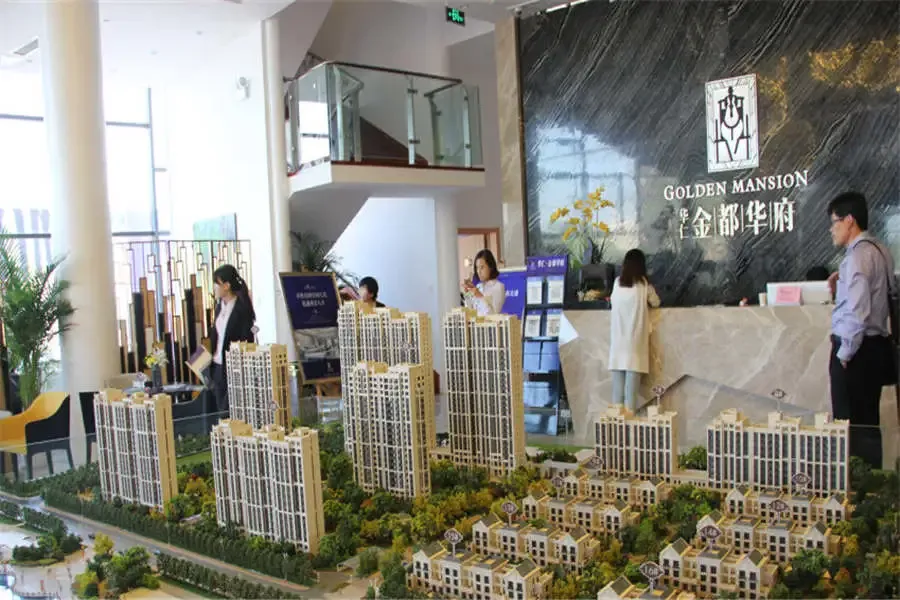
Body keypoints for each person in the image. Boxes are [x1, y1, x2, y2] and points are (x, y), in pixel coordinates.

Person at [826, 191, 895, 469]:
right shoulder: (880, 250)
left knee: (850, 426)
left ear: (849, 220)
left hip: (857, 352)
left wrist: (844, 354)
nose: (832, 229)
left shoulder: (857, 256)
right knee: (867, 424)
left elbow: (858, 312)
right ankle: (870, 480)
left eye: (834, 222)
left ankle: (855, 484)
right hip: (875, 348)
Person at [609, 249, 660, 411]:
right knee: (630, 397)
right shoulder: (644, 285)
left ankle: (615, 424)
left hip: (618, 343)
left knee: (617, 397)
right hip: (635, 345)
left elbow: (612, 301)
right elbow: (656, 302)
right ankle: (629, 423)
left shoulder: (617, 283)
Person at [208, 264, 256, 413]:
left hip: (233, 367)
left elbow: (246, 340)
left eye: (217, 284)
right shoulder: (219, 307)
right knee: (219, 410)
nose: (214, 288)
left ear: (227, 286)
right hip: (217, 365)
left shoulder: (241, 309)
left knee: (230, 410)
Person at [462, 249, 505, 316]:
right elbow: (470, 311)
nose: (478, 271)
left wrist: (480, 296)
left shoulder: (498, 287)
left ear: (490, 267)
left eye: (482, 267)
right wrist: (467, 294)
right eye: (477, 268)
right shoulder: (479, 286)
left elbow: (492, 315)